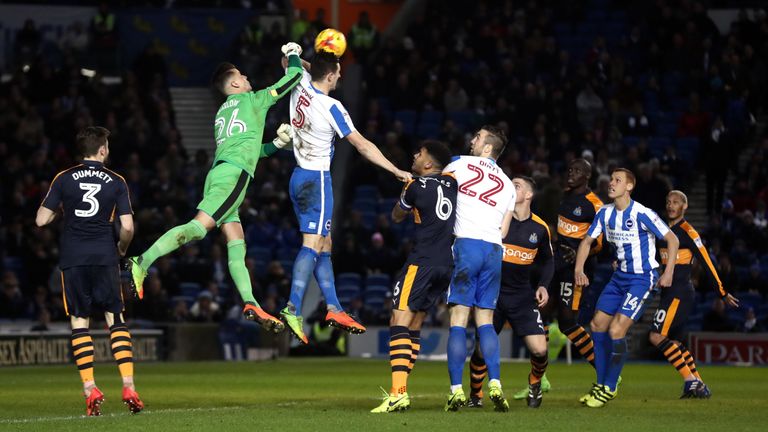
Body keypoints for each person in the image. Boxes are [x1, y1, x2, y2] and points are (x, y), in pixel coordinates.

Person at [126, 43, 305, 333]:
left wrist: (276, 145)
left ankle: (250, 302)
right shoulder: (254, 100)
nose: (248, 79)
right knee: (198, 228)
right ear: (234, 83)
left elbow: (246, 149)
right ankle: (142, 261)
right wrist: (294, 52)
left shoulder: (222, 112)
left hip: (221, 172)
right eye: (243, 76)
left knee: (236, 243)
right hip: (233, 177)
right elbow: (292, 79)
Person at [278, 43, 411, 343]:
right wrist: (395, 170)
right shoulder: (332, 107)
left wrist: (301, 56)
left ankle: (334, 307)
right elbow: (362, 145)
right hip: (317, 179)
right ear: (330, 76)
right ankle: (292, 308)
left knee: (326, 243)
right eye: (338, 73)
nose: (340, 78)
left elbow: (288, 61)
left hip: (297, 176)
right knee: (313, 244)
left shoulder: (297, 80)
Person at [35, 126, 143, 416]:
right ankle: (129, 386)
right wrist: (120, 249)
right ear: (103, 149)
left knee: (79, 323)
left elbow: (41, 220)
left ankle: (89, 388)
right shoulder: (116, 180)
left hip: (73, 258)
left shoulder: (63, 178)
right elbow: (129, 227)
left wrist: (63, 210)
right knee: (115, 319)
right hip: (104, 255)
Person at [574, 168, 680, 408]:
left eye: (617, 180)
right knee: (596, 324)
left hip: (642, 278)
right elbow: (587, 241)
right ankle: (601, 384)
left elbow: (672, 239)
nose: (611, 183)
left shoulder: (643, 213)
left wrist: (669, 271)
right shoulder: (604, 213)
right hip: (619, 276)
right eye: (611, 179)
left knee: (616, 329)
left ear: (629, 187)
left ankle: (610, 387)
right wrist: (579, 269)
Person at [370, 140, 456, 413]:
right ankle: (401, 391)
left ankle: (398, 393)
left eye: (420, 154)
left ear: (429, 164)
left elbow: (396, 216)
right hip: (446, 264)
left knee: (399, 319)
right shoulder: (453, 183)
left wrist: (407, 188)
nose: (415, 155)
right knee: (415, 324)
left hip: (422, 262)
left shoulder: (415, 186)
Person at [442, 125, 517, 412]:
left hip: (467, 245)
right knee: (485, 320)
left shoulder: (459, 164)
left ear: (488, 148)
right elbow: (505, 228)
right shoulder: (509, 184)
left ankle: (456, 391)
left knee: (459, 319)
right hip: (494, 249)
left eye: (477, 138)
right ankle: (495, 382)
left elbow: (440, 200)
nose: (472, 140)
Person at [467, 176, 553, 409]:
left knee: (539, 348)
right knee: (481, 350)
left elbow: (548, 261)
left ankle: (535, 383)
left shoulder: (540, 228)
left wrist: (544, 284)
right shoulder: (495, 219)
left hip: (522, 296)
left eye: (516, 186)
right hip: (490, 293)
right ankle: (476, 396)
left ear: (528, 195)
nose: (510, 187)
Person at [523, 159, 603, 399]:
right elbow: (558, 228)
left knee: (568, 322)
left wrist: (578, 252)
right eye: (570, 169)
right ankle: (539, 378)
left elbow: (599, 241)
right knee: (541, 316)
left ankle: (606, 373)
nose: (572, 173)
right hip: (557, 264)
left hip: (577, 270)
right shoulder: (563, 197)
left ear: (587, 176)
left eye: (577, 170)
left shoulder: (595, 205)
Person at [649, 190, 739, 398]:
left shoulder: (688, 231)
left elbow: (707, 262)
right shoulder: (662, 230)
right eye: (668, 201)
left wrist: (722, 292)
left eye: (676, 202)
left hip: (680, 292)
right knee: (676, 342)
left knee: (655, 336)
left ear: (685, 207)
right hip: (668, 292)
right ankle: (698, 384)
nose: (671, 205)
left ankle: (690, 382)